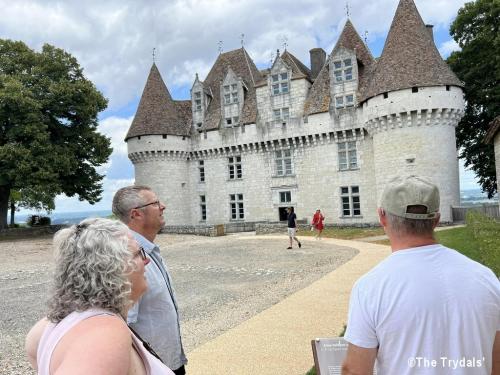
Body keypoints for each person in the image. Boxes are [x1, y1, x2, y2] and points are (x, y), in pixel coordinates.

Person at [341, 176, 500, 375]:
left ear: (382, 217)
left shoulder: (370, 287)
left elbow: (355, 370)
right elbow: (497, 361)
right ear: (436, 220)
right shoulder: (486, 278)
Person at [25, 218, 175, 374]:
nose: (146, 260)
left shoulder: (49, 325)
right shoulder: (104, 335)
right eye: (138, 254)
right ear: (113, 267)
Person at [112, 185, 187, 375]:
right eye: (155, 203)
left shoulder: (148, 249)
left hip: (166, 362)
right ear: (136, 214)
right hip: (152, 367)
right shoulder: (128, 257)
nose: (163, 206)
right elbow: (123, 326)